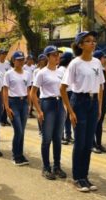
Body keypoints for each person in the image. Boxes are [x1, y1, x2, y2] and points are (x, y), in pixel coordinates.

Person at [61, 31, 105, 192]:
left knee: (88, 143)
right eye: (88, 41)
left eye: (93, 41)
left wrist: (99, 106)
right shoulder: (75, 64)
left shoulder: (96, 63)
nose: (92, 43)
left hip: (93, 104)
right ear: (80, 45)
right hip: (79, 102)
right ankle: (77, 177)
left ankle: (85, 176)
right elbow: (63, 89)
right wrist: (70, 111)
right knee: (79, 142)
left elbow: (101, 85)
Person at [31, 46, 67, 180]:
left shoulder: (61, 72)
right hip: (48, 104)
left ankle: (56, 166)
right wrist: (39, 110)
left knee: (58, 138)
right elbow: (33, 93)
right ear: (47, 57)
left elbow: (64, 91)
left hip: (59, 104)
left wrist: (66, 107)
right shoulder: (42, 73)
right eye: (53, 55)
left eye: (58, 55)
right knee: (47, 138)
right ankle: (46, 167)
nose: (57, 57)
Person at [3, 51, 31, 166]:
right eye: (18, 60)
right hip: (13, 102)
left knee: (22, 131)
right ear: (13, 61)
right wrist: (6, 107)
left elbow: (28, 89)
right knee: (18, 130)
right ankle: (15, 155)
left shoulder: (28, 74)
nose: (20, 61)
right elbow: (5, 91)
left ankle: (20, 154)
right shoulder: (8, 74)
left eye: (22, 59)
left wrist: (29, 105)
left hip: (23, 102)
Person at [91, 50, 106, 154]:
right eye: (104, 57)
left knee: (100, 123)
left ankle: (98, 143)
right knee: (94, 122)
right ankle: (92, 144)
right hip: (96, 98)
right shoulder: (94, 69)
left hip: (103, 97)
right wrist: (98, 102)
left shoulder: (102, 70)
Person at [58, 52, 74, 145]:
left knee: (68, 116)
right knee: (64, 115)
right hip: (65, 93)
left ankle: (68, 135)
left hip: (70, 92)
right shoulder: (61, 70)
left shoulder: (67, 69)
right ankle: (62, 136)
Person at [33, 54, 48, 136]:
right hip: (38, 91)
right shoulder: (36, 71)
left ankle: (45, 129)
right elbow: (35, 84)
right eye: (41, 59)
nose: (43, 61)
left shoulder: (47, 69)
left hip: (45, 91)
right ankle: (41, 129)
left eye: (44, 59)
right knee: (39, 111)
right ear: (39, 61)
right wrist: (36, 96)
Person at [0, 49, 11, 127]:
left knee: (6, 102)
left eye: (5, 54)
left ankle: (4, 120)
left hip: (5, 86)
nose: (4, 55)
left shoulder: (7, 63)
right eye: (2, 54)